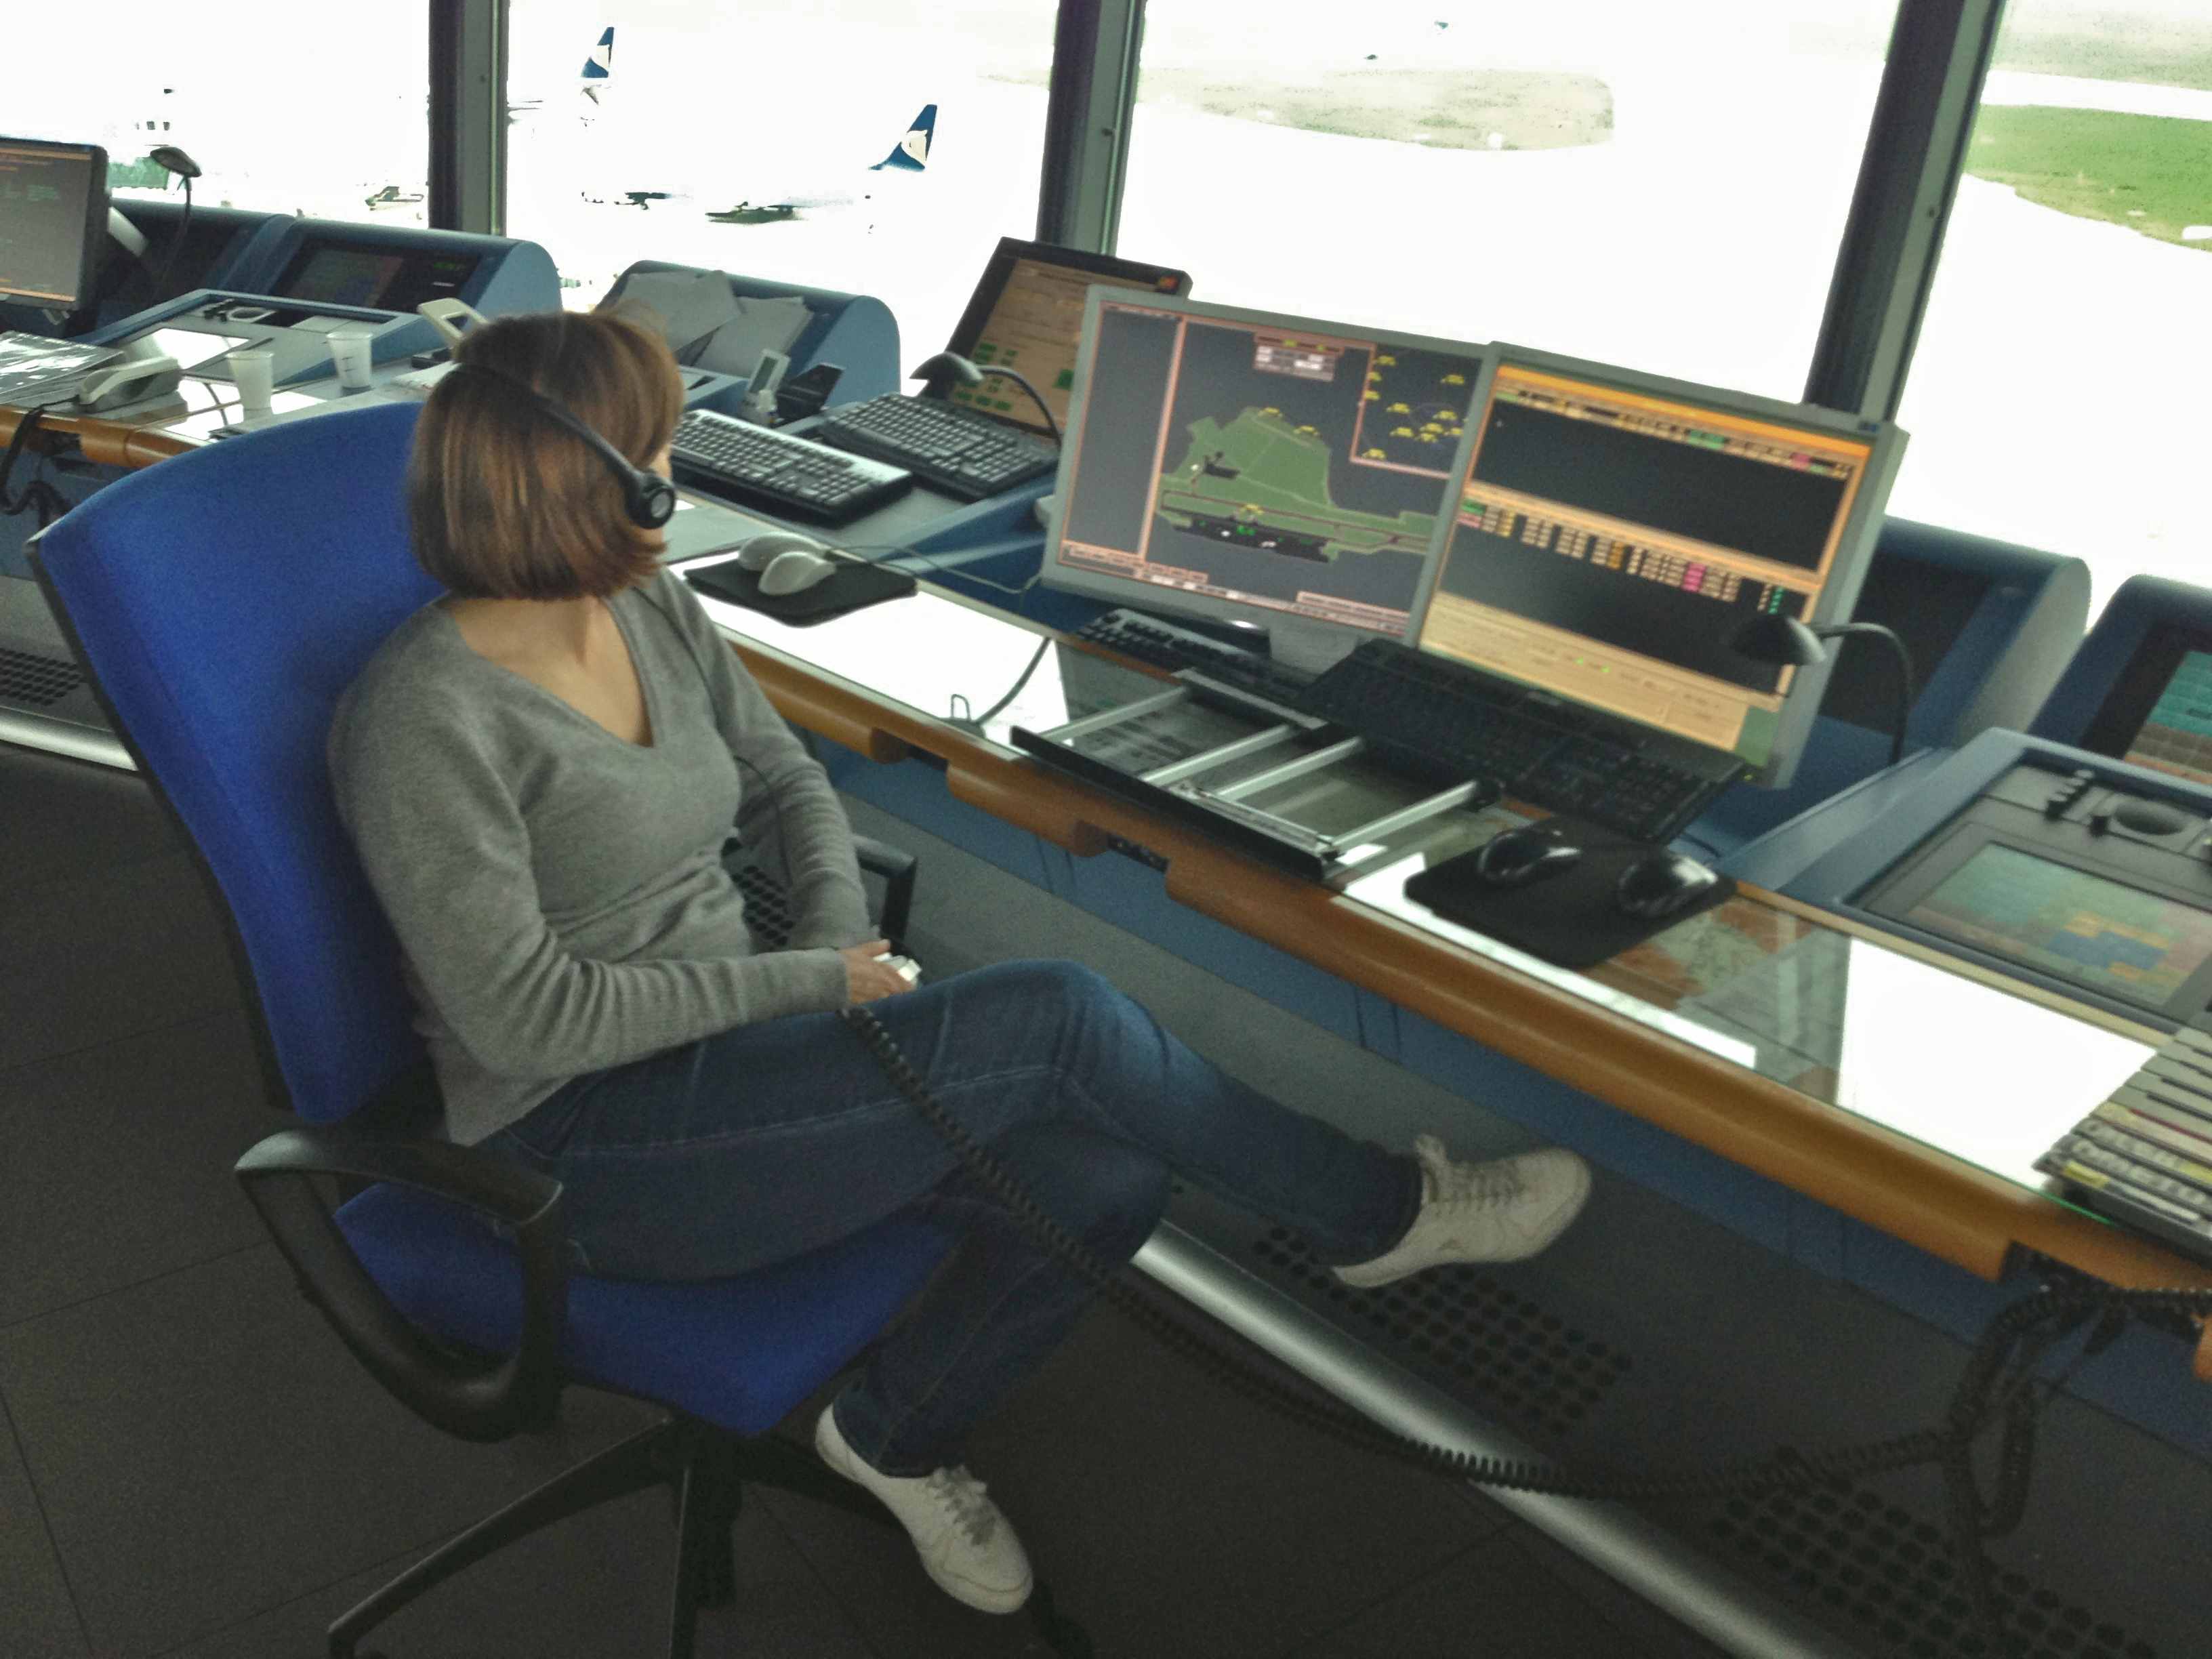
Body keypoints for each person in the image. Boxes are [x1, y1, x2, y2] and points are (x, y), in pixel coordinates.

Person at [328, 308, 1593, 1618]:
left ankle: (893, 1434)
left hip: (737, 1052)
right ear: (594, 474)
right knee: (1056, 1020)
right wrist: (816, 986)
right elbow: (527, 1022)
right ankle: (1383, 1215)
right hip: (580, 1148)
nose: (675, 470)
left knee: (1104, 1178)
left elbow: (782, 778)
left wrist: (831, 932)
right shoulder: (424, 719)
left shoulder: (639, 603)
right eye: (659, 449)